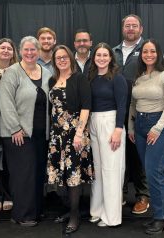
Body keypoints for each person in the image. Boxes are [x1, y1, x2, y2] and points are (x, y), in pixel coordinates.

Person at [0, 36, 51, 226]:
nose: (30, 53)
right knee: (23, 174)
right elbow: (5, 102)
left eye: (33, 50)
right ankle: (23, 215)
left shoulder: (45, 73)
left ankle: (36, 210)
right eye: (26, 50)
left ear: (39, 52)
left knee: (37, 173)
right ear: (20, 51)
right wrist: (15, 129)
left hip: (40, 134)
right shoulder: (12, 73)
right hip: (18, 134)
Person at [128, 39, 164, 235]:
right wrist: (131, 127)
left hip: (159, 127)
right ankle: (158, 214)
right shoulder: (139, 77)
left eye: (152, 51)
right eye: (145, 52)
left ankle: (162, 217)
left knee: (154, 172)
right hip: (139, 127)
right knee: (149, 173)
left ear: (158, 53)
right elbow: (133, 103)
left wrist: (157, 128)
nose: (148, 54)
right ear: (141, 55)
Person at [47, 45, 94, 234]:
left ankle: (75, 216)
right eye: (58, 58)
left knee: (74, 176)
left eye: (65, 57)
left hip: (75, 133)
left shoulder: (79, 79)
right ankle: (68, 210)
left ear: (71, 59)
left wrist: (79, 133)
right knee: (63, 175)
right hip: (57, 135)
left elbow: (85, 106)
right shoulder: (52, 80)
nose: (62, 60)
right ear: (54, 61)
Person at [113, 14, 150, 213]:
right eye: (127, 26)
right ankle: (119, 192)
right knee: (118, 153)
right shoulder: (113, 52)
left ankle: (143, 195)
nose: (130, 29)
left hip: (140, 111)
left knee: (138, 154)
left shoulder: (149, 50)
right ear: (123, 28)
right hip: (117, 110)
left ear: (141, 29)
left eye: (134, 26)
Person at [88, 43, 127, 227]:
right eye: (98, 55)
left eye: (105, 55)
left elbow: (122, 105)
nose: (102, 58)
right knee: (98, 169)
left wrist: (118, 129)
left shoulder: (117, 78)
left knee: (111, 171)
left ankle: (111, 217)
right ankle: (97, 210)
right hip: (93, 123)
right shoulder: (91, 77)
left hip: (111, 123)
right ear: (94, 58)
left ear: (111, 58)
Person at [0, 38, 18, 212]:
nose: (6, 51)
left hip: (12, 122)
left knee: (8, 161)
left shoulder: (17, 71)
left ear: (14, 52)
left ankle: (8, 195)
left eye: (9, 48)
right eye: (2, 48)